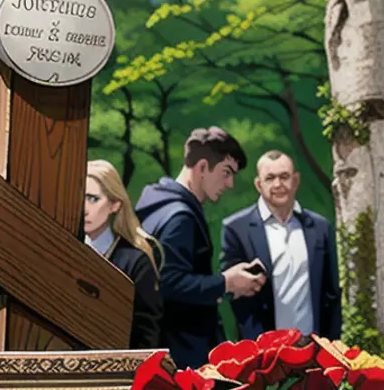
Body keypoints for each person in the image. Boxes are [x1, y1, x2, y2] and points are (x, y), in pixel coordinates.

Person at [135, 127, 265, 367]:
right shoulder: (180, 217)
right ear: (202, 167)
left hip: (158, 345)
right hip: (181, 353)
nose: (230, 183)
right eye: (226, 173)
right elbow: (169, 283)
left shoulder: (156, 206)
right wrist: (226, 282)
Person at [220, 150, 342, 340]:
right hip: (263, 349)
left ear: (296, 180)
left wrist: (332, 343)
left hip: (315, 346)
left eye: (284, 177)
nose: (278, 184)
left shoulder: (320, 227)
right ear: (258, 184)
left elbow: (332, 293)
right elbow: (233, 294)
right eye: (270, 178)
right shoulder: (236, 229)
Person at [85, 160, 163, 349]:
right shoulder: (67, 251)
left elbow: (146, 333)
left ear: (115, 205)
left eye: (93, 199)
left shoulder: (136, 262)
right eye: (79, 197)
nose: (84, 208)